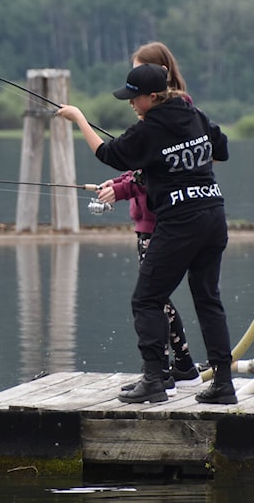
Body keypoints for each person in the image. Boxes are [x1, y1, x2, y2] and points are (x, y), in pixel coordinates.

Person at [56, 59, 236, 405]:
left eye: (134, 98)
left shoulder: (149, 129)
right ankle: (224, 385)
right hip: (214, 215)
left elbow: (108, 154)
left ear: (153, 97)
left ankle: (154, 380)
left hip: (181, 222)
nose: (131, 104)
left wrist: (78, 118)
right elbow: (221, 150)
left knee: (147, 299)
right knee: (208, 299)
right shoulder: (193, 115)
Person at [99, 42, 203, 393]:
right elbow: (144, 168)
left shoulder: (170, 117)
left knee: (151, 297)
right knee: (156, 297)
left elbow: (155, 172)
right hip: (157, 217)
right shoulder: (175, 113)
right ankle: (179, 368)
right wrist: (119, 184)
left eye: (138, 71)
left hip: (162, 219)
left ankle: (172, 369)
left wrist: (122, 187)